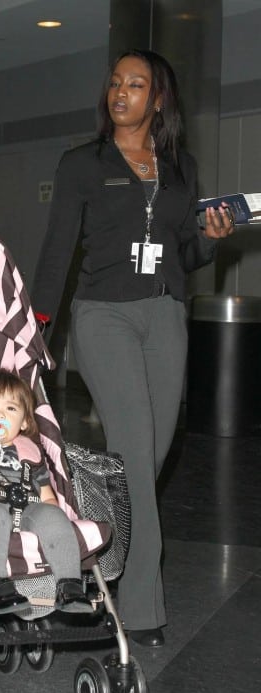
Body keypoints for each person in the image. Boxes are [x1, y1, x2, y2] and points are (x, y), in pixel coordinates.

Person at [31, 49, 234, 647]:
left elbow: (186, 253)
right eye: (116, 83)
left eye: (136, 84)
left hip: (166, 316)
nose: (121, 92)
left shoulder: (180, 169)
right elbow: (55, 253)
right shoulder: (81, 164)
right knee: (135, 454)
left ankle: (82, 549)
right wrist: (35, 325)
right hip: (104, 317)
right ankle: (140, 607)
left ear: (159, 98)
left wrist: (211, 238)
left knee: (143, 460)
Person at [0, 369, 92, 614]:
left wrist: (53, 512)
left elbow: (46, 493)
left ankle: (69, 585)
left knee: (53, 516)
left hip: (27, 506)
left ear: (24, 422)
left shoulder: (30, 454)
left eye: (10, 409)